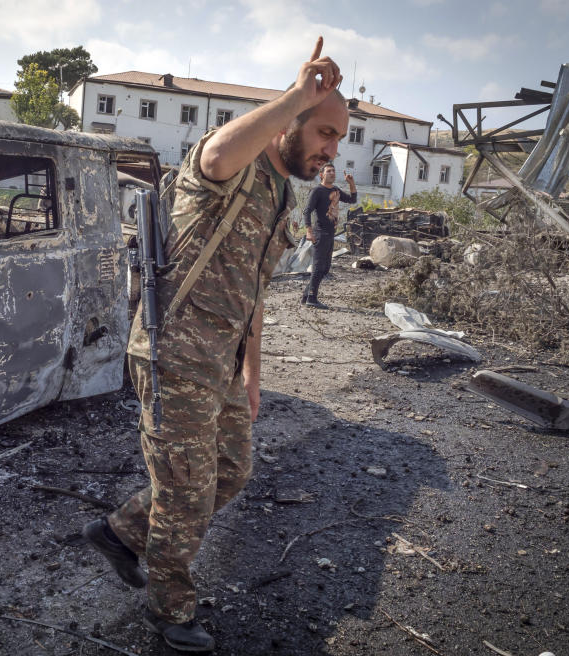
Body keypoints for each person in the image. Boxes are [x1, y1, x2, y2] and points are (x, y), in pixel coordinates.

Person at [83, 37, 348, 653]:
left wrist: (253, 378)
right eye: (324, 133)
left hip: (220, 364)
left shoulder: (284, 194)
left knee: (231, 470)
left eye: (338, 138)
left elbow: (253, 296)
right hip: (173, 352)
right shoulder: (233, 166)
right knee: (186, 489)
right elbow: (219, 151)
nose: (331, 149)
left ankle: (121, 531)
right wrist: (296, 95)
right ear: (291, 122)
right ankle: (170, 610)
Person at [300, 162, 356, 309]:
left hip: (331, 234)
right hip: (320, 233)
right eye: (329, 171)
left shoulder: (336, 190)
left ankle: (307, 295)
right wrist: (308, 231)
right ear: (321, 175)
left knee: (325, 268)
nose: (332, 173)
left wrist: (351, 183)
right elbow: (307, 211)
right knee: (318, 267)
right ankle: (312, 298)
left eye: (333, 171)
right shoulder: (317, 191)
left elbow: (352, 200)